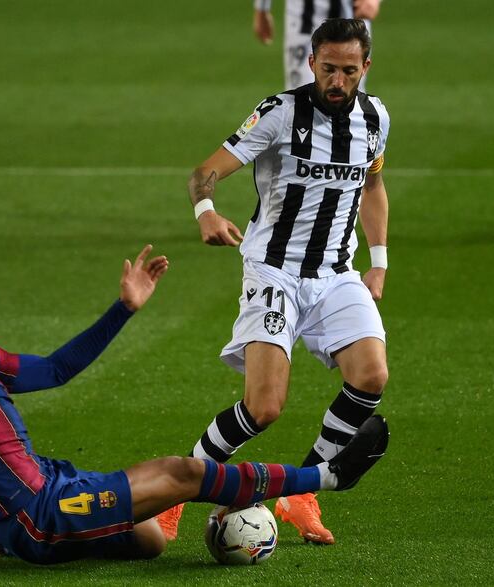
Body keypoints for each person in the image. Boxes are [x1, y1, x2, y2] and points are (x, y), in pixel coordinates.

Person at [0, 245, 388, 565]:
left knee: (151, 539)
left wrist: (123, 309)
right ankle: (328, 477)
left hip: (50, 486)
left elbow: (58, 369)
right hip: (39, 514)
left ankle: (1, 540)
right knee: (181, 473)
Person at [156, 19, 391, 546]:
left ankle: (300, 493)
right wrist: (207, 212)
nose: (337, 80)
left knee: (372, 375)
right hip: (274, 272)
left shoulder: (376, 118)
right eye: (328, 68)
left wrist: (378, 260)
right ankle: (178, 490)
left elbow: (373, 185)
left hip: (335, 275)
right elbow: (204, 171)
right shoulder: (280, 113)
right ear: (311, 63)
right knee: (263, 408)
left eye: (349, 71)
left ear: (365, 69)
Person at [252, 0, 381, 90]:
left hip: (352, 23)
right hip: (304, 24)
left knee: (349, 98)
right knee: (302, 100)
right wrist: (262, 8)